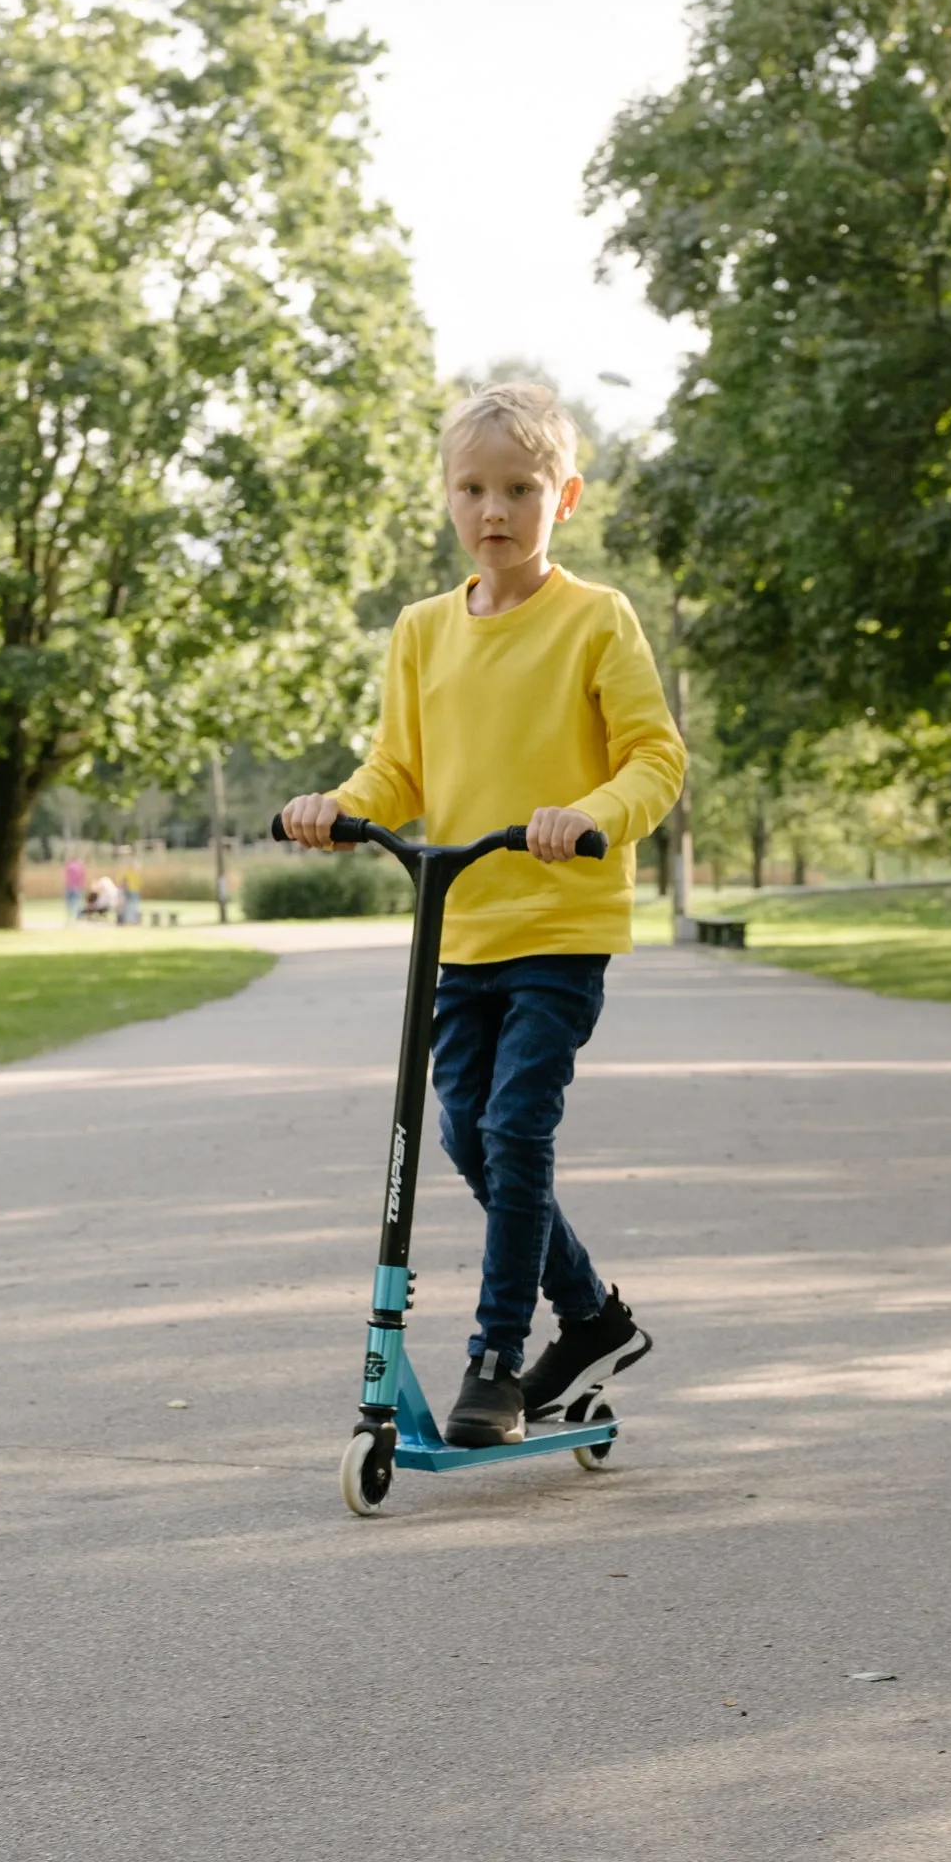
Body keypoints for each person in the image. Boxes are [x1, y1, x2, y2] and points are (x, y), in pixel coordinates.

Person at [282, 382, 685, 1448]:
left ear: (566, 495)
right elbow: (398, 768)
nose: (494, 508)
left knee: (514, 1126)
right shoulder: (421, 630)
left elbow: (657, 757)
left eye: (518, 487)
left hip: (560, 925)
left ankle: (497, 1356)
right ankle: (593, 1314)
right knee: (466, 1130)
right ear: (448, 498)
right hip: (458, 934)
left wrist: (590, 815)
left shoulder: (597, 618)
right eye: (473, 488)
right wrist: (340, 810)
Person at [63, 854, 87, 923]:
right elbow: (83, 876)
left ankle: (69, 917)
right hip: (77, 887)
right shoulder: (80, 866)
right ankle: (75, 917)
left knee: (69, 903)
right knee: (76, 903)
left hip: (69, 887)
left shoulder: (69, 866)